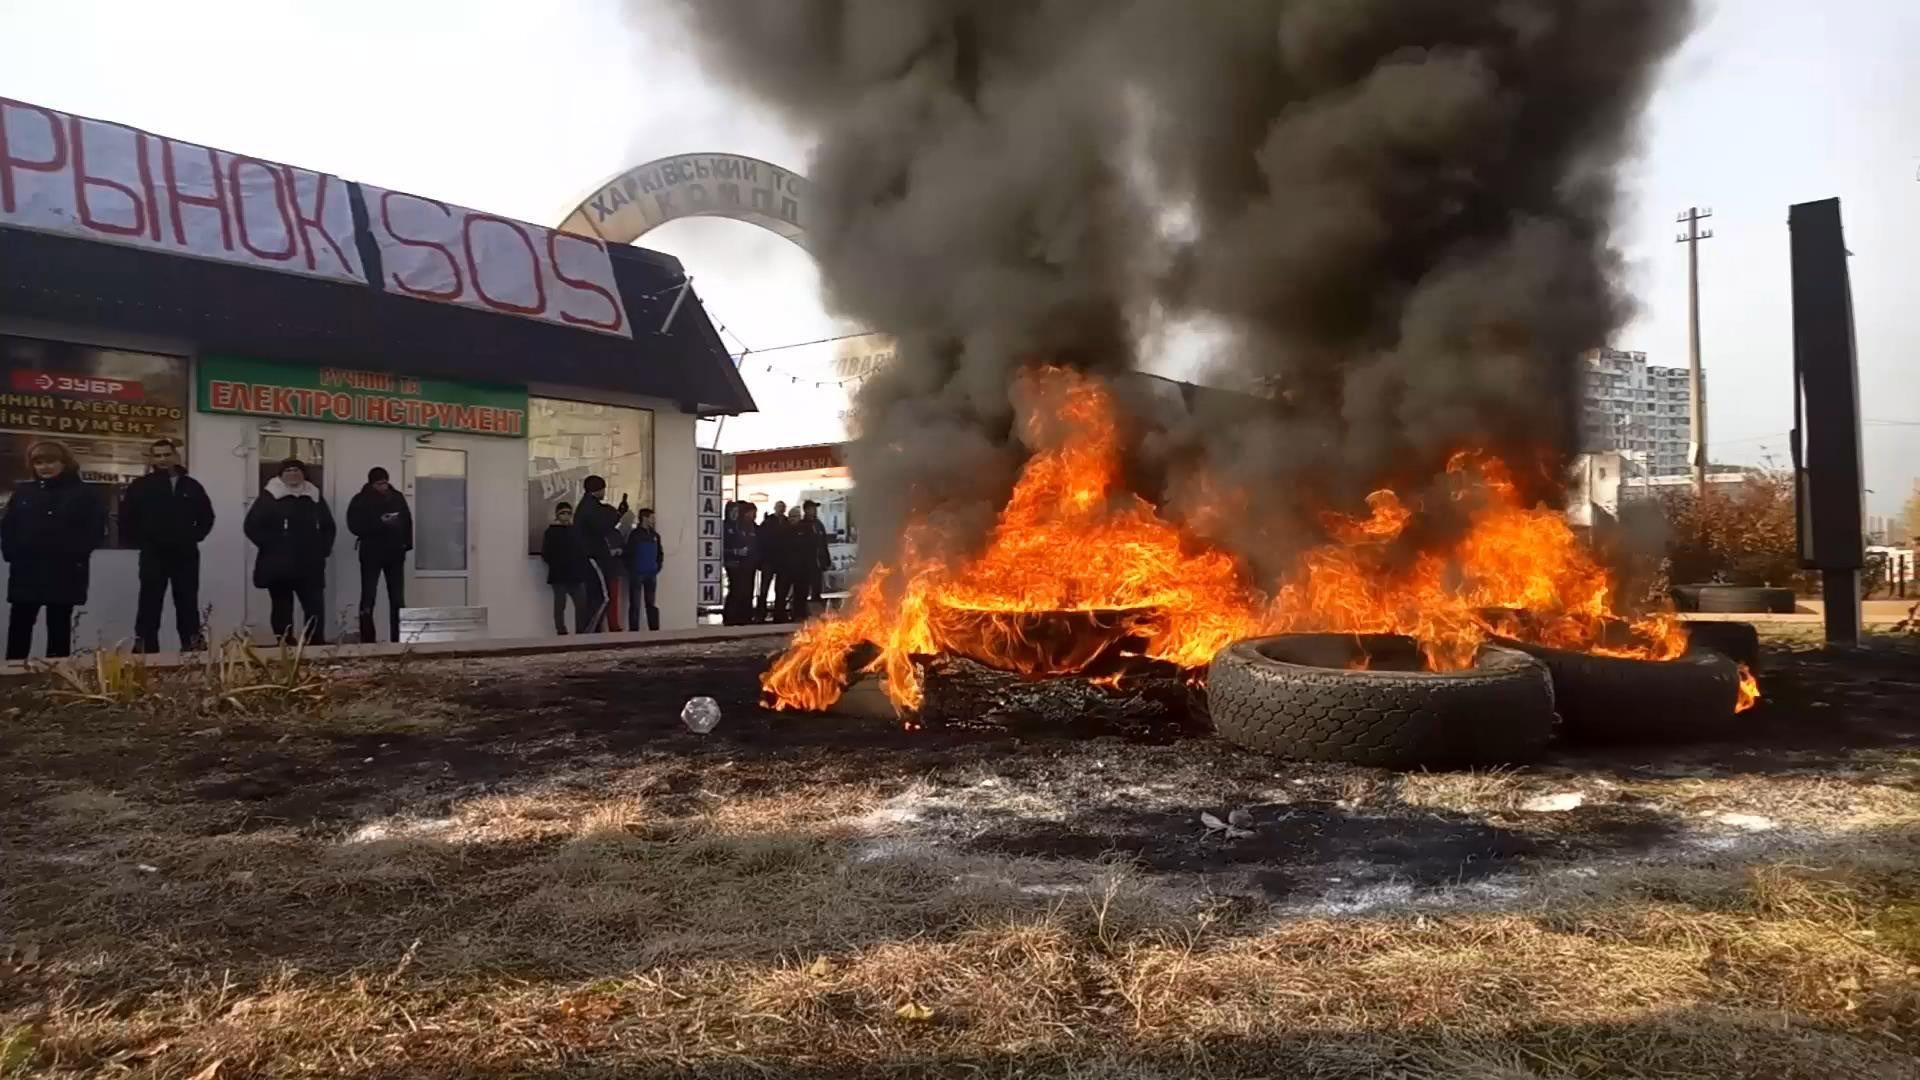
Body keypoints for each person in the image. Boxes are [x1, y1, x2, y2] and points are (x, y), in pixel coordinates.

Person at [2, 440, 104, 660]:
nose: (45, 467)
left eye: (51, 461)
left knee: (59, 627)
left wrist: (74, 554)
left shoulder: (83, 493)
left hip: (63, 571)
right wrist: (12, 553)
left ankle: (57, 680)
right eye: (38, 462)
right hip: (26, 571)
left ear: (64, 463)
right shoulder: (24, 492)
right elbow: (9, 526)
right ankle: (12, 680)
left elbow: (94, 530)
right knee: (19, 627)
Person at [120, 437, 214, 653]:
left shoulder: (191, 486)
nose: (163, 459)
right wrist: (141, 540)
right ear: (152, 458)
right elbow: (126, 517)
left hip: (185, 553)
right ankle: (145, 649)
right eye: (158, 455)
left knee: (187, 602)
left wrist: (194, 536)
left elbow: (206, 516)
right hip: (153, 553)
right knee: (149, 602)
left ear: (175, 456)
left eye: (166, 454)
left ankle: (192, 648)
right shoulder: (141, 486)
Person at [244, 458, 336, 644]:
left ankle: (314, 644)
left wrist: (322, 550)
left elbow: (329, 527)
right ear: (281, 475)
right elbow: (251, 526)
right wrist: (272, 546)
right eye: (288, 471)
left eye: (297, 471)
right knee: (282, 607)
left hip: (310, 564)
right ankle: (285, 645)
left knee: (314, 606)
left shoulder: (314, 496)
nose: (293, 474)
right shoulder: (269, 497)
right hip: (278, 565)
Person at [346, 466, 412, 644]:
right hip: (371, 552)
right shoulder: (360, 500)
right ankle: (368, 639)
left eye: (385, 482)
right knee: (368, 596)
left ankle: (399, 638)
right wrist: (380, 523)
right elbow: (354, 525)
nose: (383, 486)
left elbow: (407, 520)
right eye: (379, 483)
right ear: (371, 483)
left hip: (395, 552)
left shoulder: (396, 497)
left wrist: (406, 544)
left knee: (397, 598)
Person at [572, 475, 623, 633]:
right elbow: (602, 525)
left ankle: (592, 631)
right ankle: (590, 632)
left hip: (590, 557)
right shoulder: (589, 508)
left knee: (596, 596)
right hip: (593, 557)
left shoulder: (587, 506)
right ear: (597, 490)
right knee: (602, 597)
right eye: (603, 489)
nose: (604, 493)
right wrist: (618, 514)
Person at [541, 502, 587, 634]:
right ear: (557, 515)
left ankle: (580, 633)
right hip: (559, 575)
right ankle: (561, 632)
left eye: (568, 513)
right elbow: (546, 554)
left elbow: (582, 551)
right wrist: (557, 562)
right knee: (560, 606)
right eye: (563, 513)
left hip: (576, 575)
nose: (566, 516)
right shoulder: (551, 532)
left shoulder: (576, 531)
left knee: (581, 605)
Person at [624, 506, 664, 631]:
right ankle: (634, 631)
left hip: (651, 574)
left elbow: (659, 553)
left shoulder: (655, 535)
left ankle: (654, 629)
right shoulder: (634, 535)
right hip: (637, 573)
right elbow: (628, 553)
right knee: (635, 605)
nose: (654, 520)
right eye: (652, 518)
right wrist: (632, 569)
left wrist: (658, 566)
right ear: (644, 518)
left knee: (650, 604)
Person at [722, 501, 757, 626]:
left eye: (737, 512)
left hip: (743, 563)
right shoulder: (724, 527)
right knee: (734, 589)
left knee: (742, 590)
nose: (735, 514)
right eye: (733, 512)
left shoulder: (739, 526)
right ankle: (729, 617)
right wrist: (735, 552)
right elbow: (721, 547)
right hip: (732, 562)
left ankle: (741, 617)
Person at [754, 499, 788, 622]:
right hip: (768, 560)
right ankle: (760, 614)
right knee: (764, 588)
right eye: (779, 507)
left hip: (782, 561)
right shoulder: (768, 522)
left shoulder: (786, 522)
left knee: (781, 589)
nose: (781, 510)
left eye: (783, 507)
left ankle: (779, 614)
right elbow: (761, 541)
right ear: (775, 508)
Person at [801, 499, 831, 609]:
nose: (814, 511)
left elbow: (823, 543)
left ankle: (817, 606)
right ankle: (802, 610)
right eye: (812, 508)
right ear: (806, 510)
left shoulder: (819, 524)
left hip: (818, 562)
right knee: (804, 587)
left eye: (815, 508)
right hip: (807, 562)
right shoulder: (802, 525)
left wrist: (826, 559)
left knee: (817, 586)